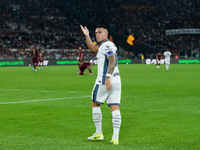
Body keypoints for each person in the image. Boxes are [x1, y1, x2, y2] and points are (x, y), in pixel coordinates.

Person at [80, 24, 121, 145]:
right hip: (117, 81)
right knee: (115, 107)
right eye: (96, 32)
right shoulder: (107, 45)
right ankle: (115, 138)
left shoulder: (106, 45)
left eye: (99, 32)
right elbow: (93, 48)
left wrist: (107, 77)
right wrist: (87, 36)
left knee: (95, 103)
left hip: (104, 80)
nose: (97, 34)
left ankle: (98, 134)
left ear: (105, 34)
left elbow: (112, 59)